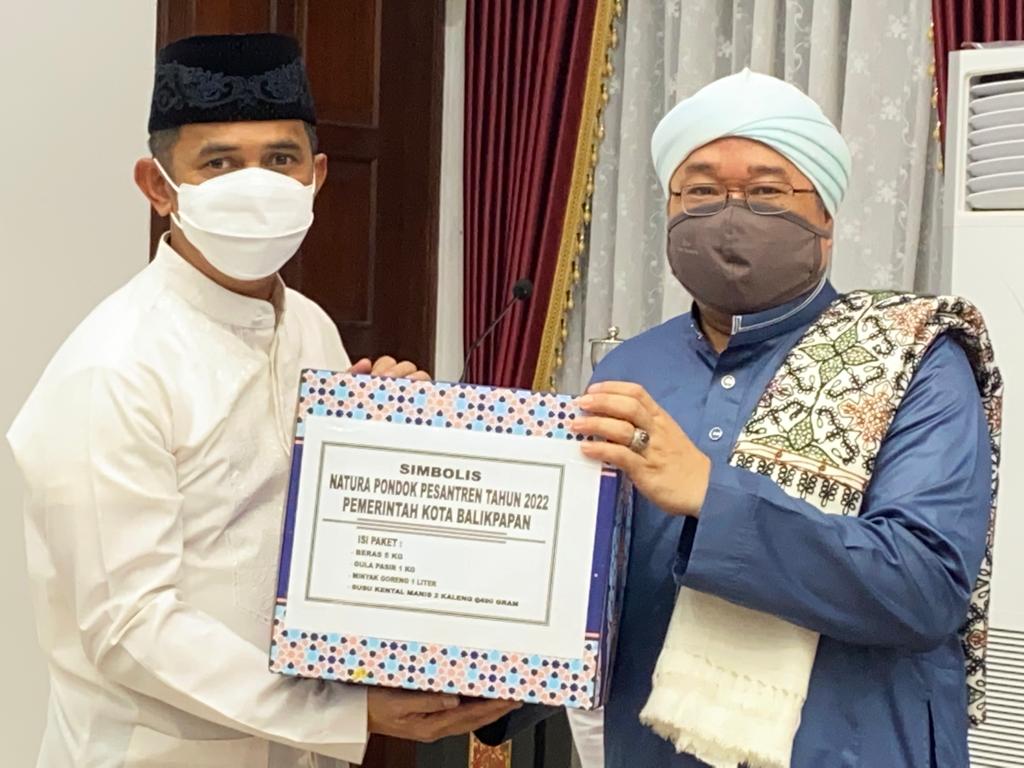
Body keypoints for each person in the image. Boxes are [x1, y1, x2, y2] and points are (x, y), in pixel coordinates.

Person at [6, 33, 516, 768]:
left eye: (280, 159)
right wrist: (341, 712)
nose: (256, 184)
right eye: (218, 163)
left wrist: (392, 439)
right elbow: (129, 625)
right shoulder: (113, 368)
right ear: (157, 187)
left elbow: (333, 541)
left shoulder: (309, 327)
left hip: (299, 751)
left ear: (316, 176)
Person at [478, 69, 999, 767]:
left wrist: (710, 496)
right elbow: (595, 592)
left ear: (825, 220)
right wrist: (475, 675)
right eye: (699, 191)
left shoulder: (914, 359)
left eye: (766, 192)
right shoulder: (630, 370)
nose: (729, 213)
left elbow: (923, 588)